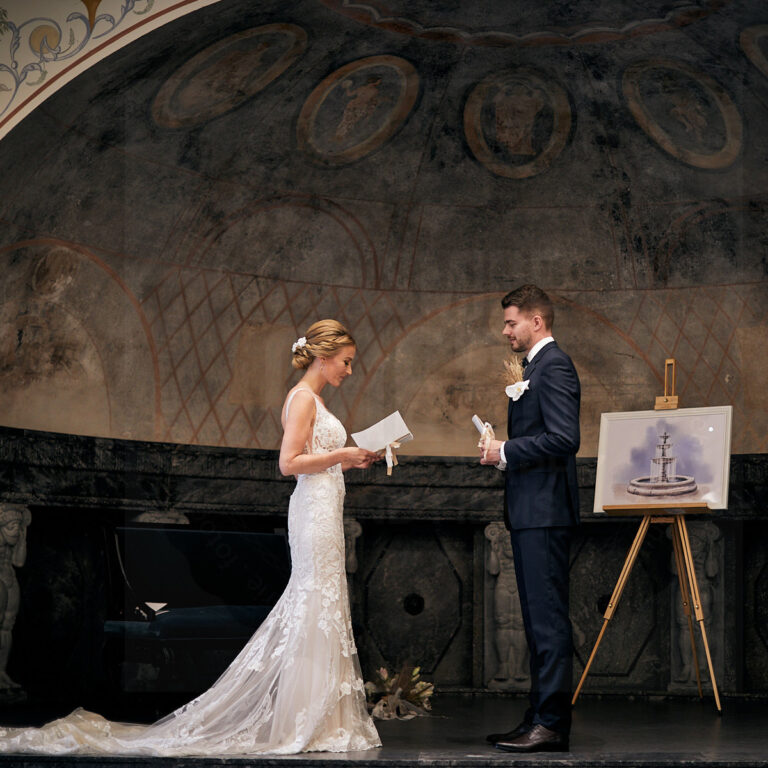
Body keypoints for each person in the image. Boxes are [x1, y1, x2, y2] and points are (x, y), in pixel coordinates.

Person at [0, 319, 382, 757]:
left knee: (326, 605)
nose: (349, 372)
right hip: (312, 514)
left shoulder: (316, 400)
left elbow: (315, 459)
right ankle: (301, 721)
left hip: (327, 510)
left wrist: (349, 461)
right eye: (346, 363)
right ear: (323, 355)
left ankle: (319, 719)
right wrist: (343, 454)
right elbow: (289, 463)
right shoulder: (301, 398)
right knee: (314, 601)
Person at [480, 285, 580, 754]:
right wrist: (502, 456)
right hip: (530, 511)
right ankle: (536, 719)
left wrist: (507, 449)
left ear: (536, 321)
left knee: (548, 623)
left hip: (544, 513)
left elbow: (564, 438)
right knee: (538, 622)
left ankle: (552, 724)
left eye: (511, 322)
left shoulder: (554, 365)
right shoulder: (534, 367)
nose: (506, 331)